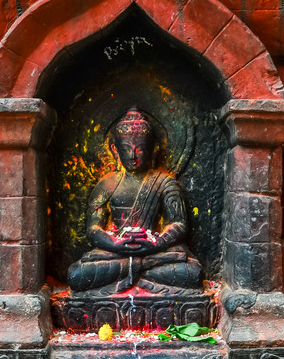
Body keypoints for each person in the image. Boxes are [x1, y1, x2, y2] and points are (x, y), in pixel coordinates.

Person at [68, 108, 203, 296]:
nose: (132, 155)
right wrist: (115, 244)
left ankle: (134, 271)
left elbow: (178, 224)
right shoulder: (107, 184)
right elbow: (93, 228)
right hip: (117, 253)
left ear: (153, 149)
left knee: (192, 273)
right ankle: (140, 271)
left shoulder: (165, 183)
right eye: (126, 149)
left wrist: (157, 243)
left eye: (140, 149)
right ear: (115, 150)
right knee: (77, 275)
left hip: (154, 252)